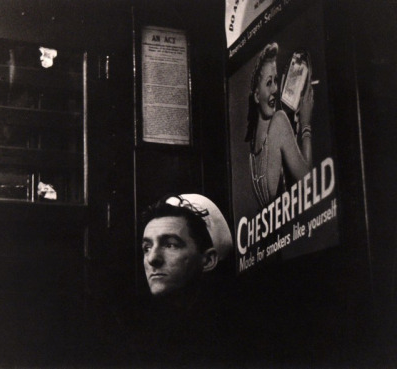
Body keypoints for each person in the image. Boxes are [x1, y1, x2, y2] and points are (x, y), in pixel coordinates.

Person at [131, 194, 234, 366]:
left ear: (208, 260)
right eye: (147, 248)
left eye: (170, 244)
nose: (152, 258)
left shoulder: (227, 335)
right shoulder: (144, 338)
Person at [245, 42, 314, 209]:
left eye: (276, 81)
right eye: (269, 83)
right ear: (256, 95)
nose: (275, 89)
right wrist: (305, 124)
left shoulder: (253, 151)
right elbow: (309, 182)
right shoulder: (279, 122)